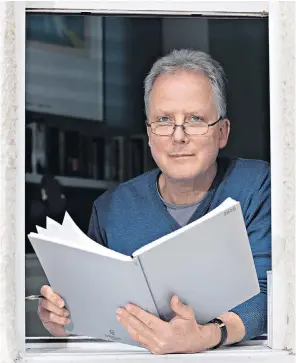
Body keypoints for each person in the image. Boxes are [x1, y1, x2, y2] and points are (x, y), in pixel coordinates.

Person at [37, 49, 271, 354]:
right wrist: (62, 318)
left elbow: (273, 294)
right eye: (164, 120)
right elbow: (96, 312)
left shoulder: (257, 185)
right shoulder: (111, 209)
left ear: (222, 132)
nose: (178, 136)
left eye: (195, 119)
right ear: (149, 133)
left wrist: (208, 335)